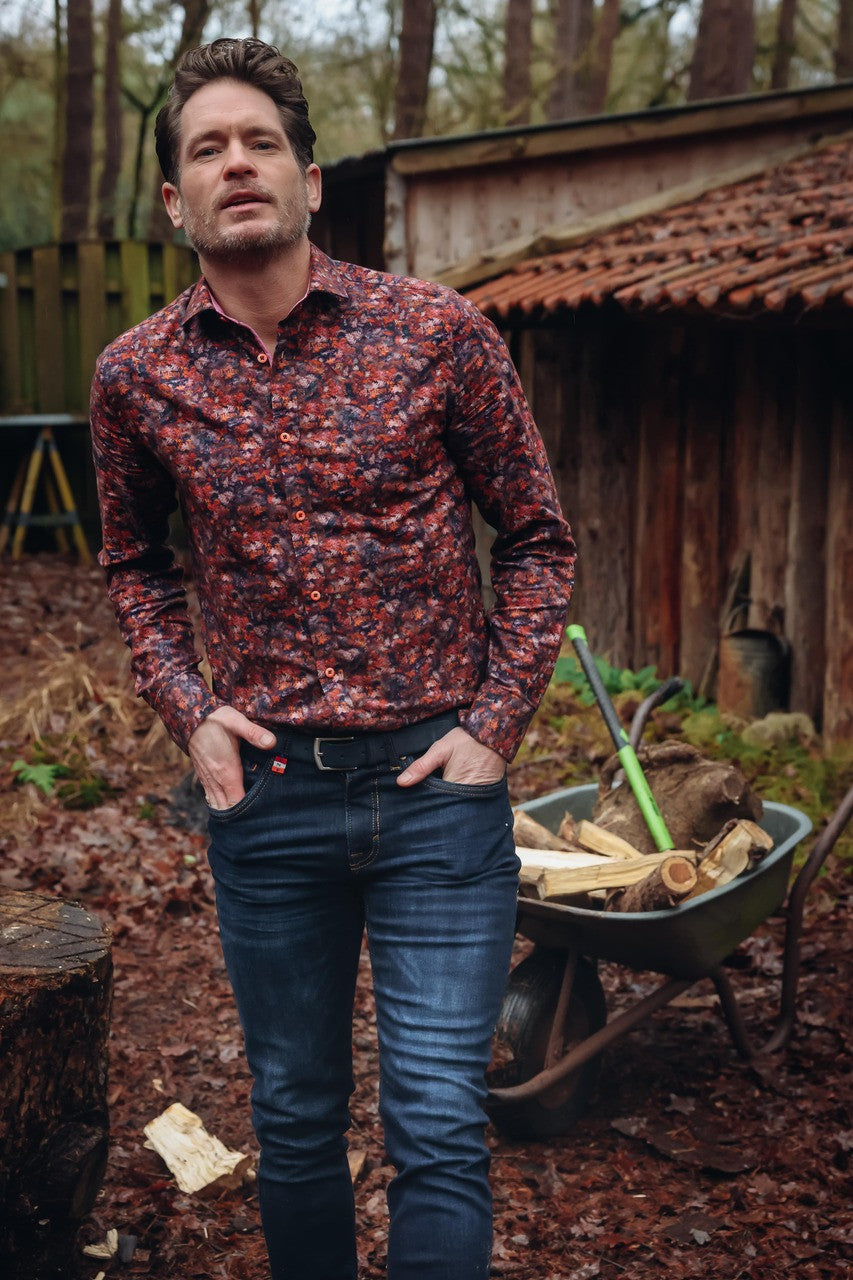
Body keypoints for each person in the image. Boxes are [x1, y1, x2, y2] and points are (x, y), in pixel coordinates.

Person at [90, 37, 575, 1280]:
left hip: (436, 796)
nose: (235, 163)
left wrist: (496, 721)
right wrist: (187, 708)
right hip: (269, 800)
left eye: (259, 142)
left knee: (436, 1130)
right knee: (298, 1127)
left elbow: (534, 537)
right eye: (208, 148)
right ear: (173, 201)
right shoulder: (135, 377)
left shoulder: (436, 334)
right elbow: (133, 564)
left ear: (311, 181)